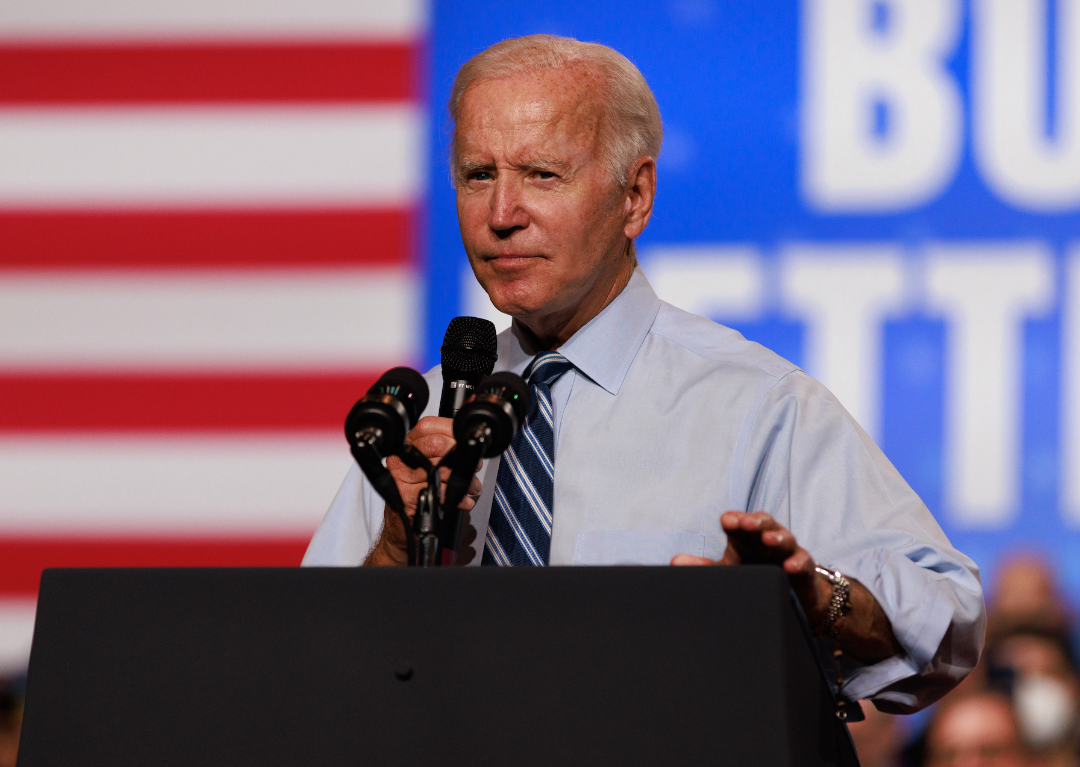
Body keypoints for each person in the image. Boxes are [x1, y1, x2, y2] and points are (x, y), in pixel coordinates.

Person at [304, 34, 984, 713]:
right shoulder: (425, 418)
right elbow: (308, 672)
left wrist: (810, 600)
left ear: (635, 195)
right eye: (479, 175)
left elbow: (946, 618)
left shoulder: (755, 402)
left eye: (542, 174)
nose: (501, 216)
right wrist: (398, 547)